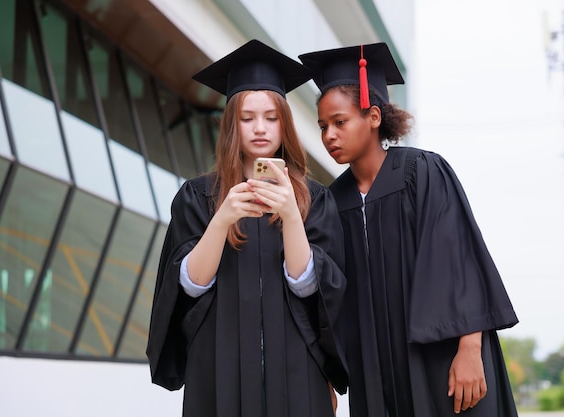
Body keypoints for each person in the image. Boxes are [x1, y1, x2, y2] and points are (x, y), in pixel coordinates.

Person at [299, 42, 519, 416]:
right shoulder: (332, 202)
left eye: (340, 122)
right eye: (323, 127)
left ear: (372, 117)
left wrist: (470, 349)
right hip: (376, 372)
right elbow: (328, 298)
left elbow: (459, 259)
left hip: (443, 361)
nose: (329, 136)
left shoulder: (423, 173)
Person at [146, 39, 348, 417]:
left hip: (297, 373)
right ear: (231, 124)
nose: (260, 128)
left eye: (271, 118)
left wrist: (290, 216)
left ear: (284, 124)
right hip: (218, 373)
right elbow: (188, 285)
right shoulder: (198, 196)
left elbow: (313, 289)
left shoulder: (314, 200)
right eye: (247, 118)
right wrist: (222, 219)